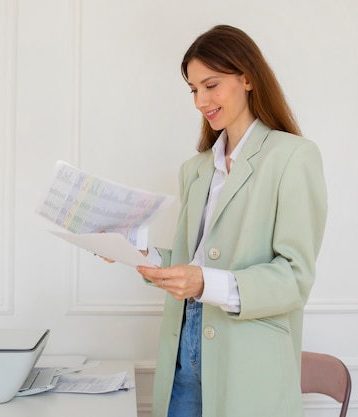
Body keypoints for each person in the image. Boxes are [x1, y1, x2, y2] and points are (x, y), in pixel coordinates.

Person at [132, 24, 326, 416]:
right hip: (184, 353)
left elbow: (294, 277)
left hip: (248, 361)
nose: (201, 100)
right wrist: (139, 251)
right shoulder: (196, 168)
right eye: (193, 89)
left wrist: (205, 282)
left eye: (211, 85)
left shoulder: (293, 156)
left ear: (248, 78)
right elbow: (196, 261)